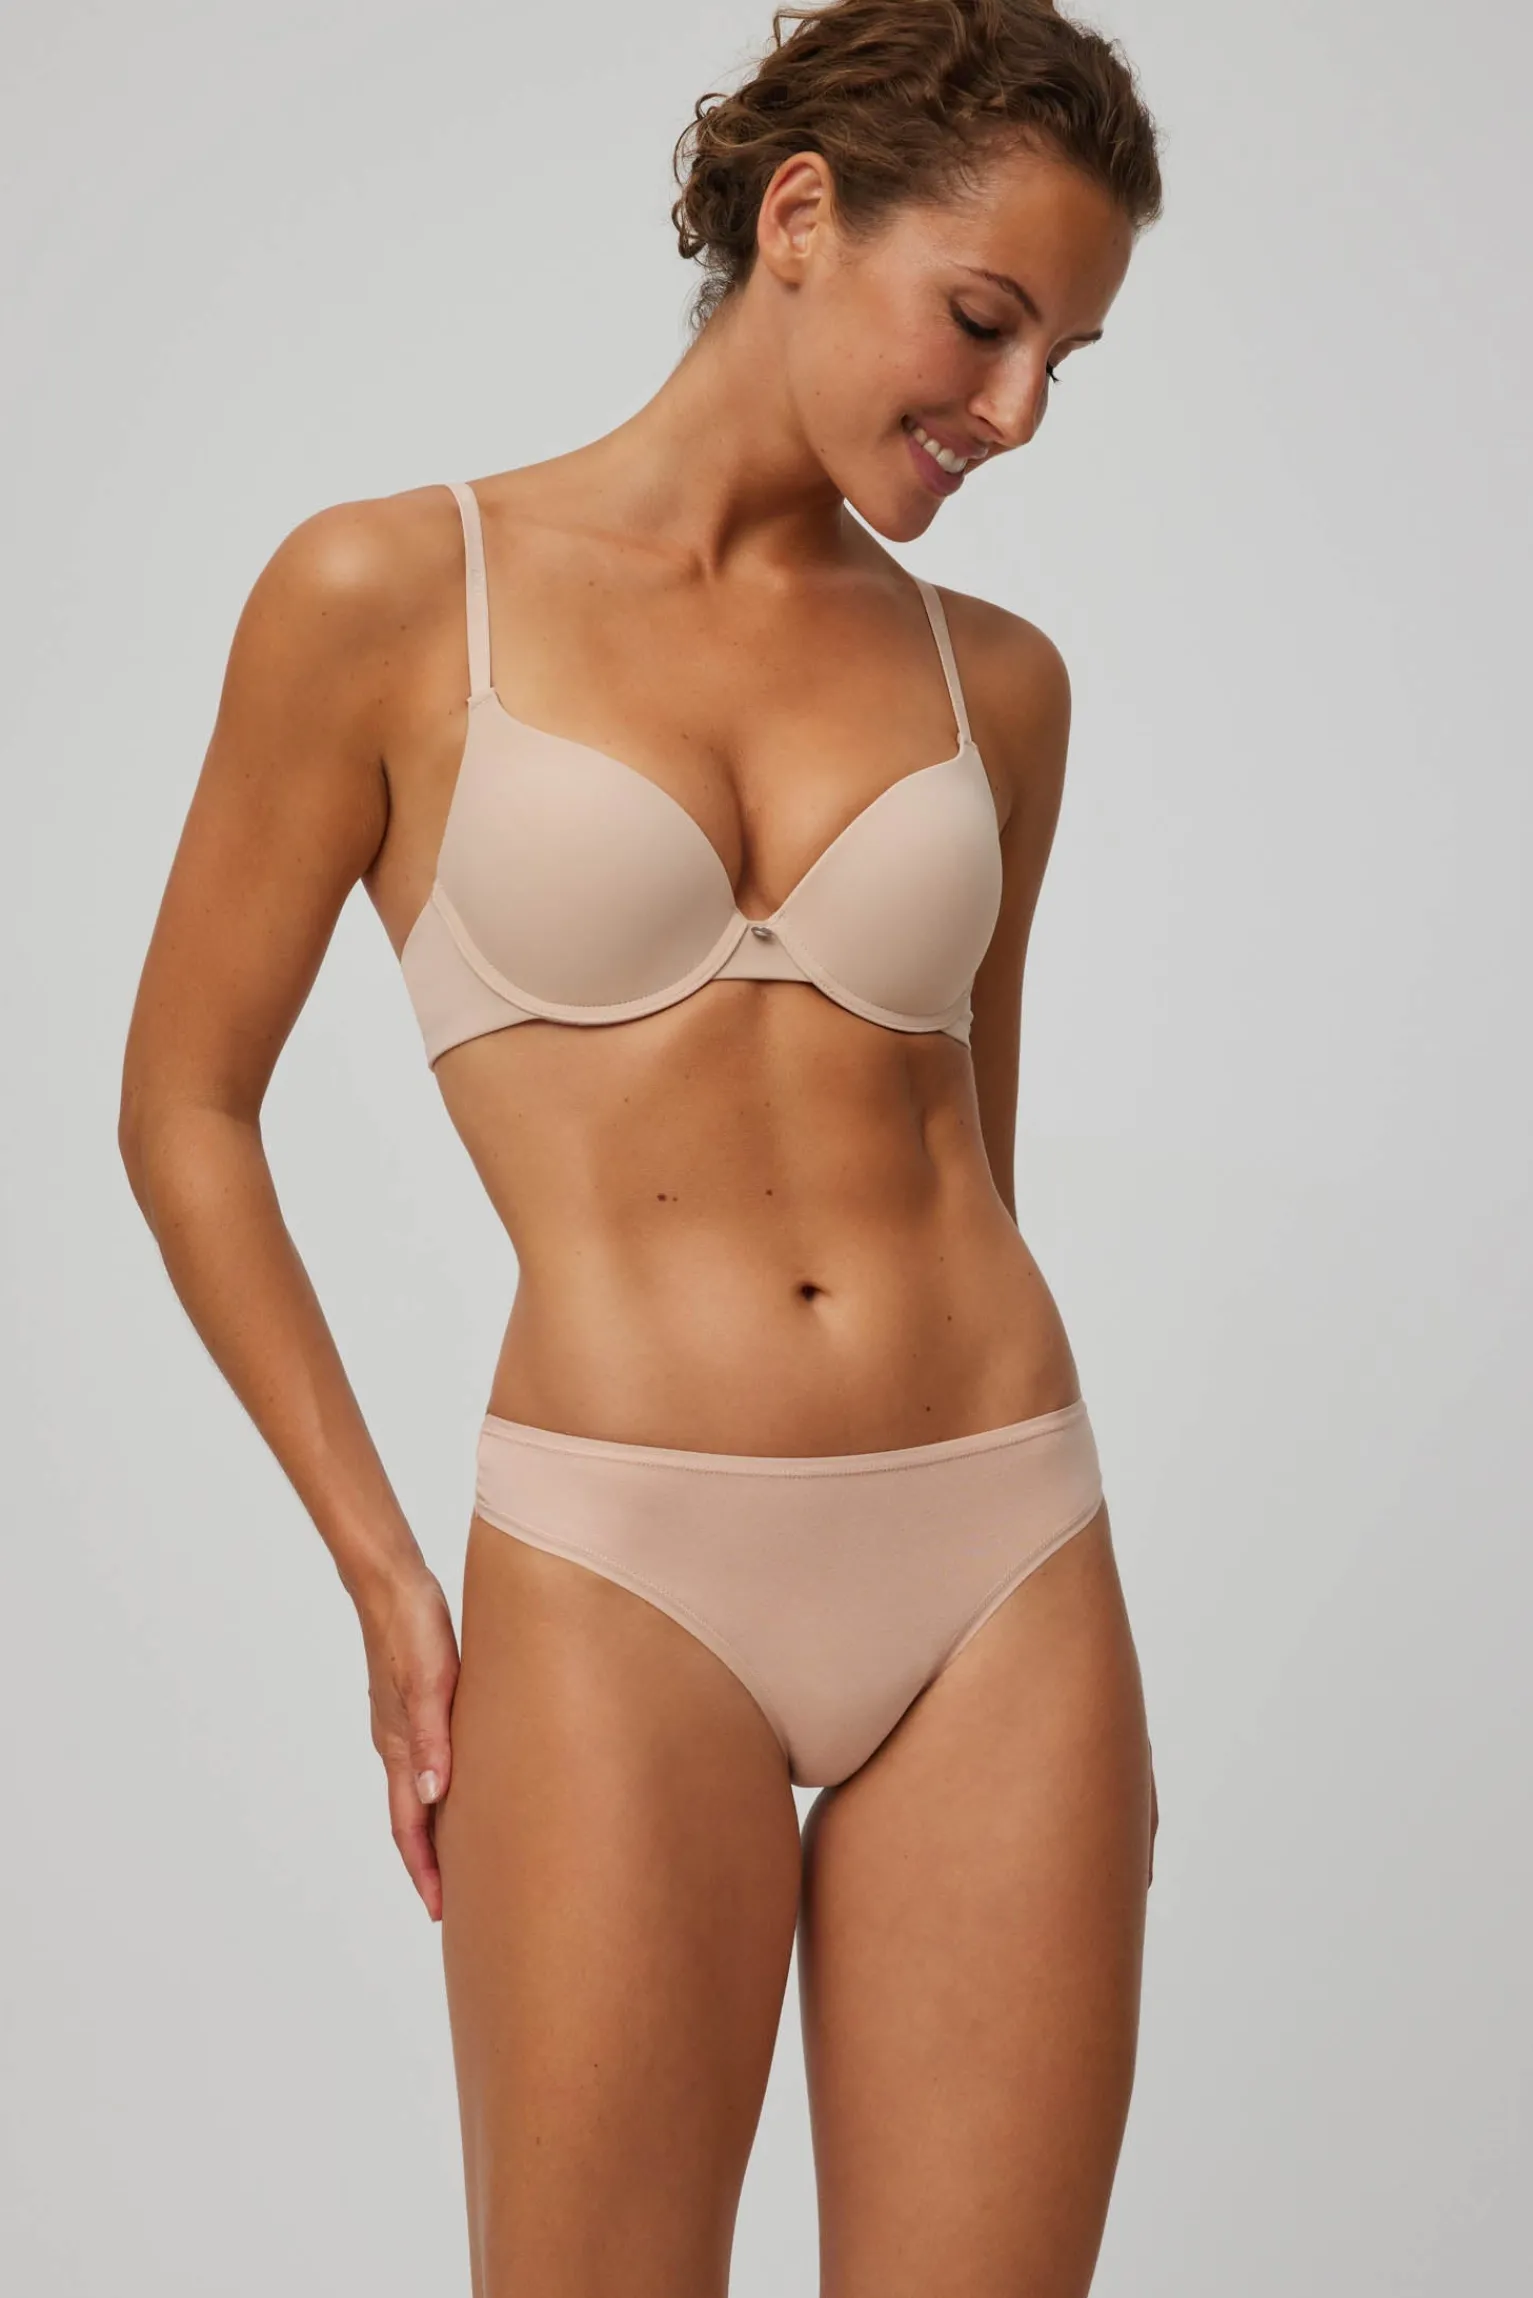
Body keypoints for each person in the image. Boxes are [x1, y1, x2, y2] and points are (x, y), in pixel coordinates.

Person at [119, 1, 1165, 2288]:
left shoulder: (998, 685)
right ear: (798, 217)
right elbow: (183, 1104)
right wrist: (381, 1573)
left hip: (1001, 1546)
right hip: (618, 1566)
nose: (1015, 411)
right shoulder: (388, 597)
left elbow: (967, 1152)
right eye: (985, 320)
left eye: (1064, 361)